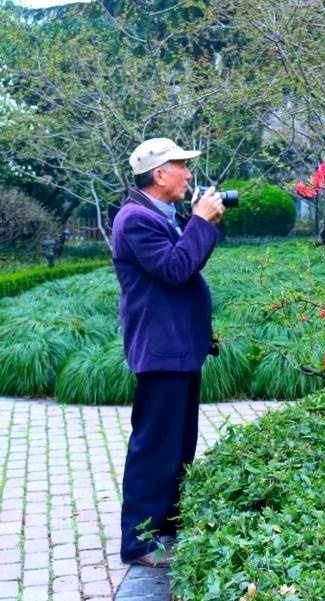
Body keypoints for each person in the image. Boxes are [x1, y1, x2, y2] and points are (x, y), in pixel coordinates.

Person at [112, 137, 225, 567]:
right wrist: (200, 221)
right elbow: (176, 269)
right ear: (159, 174)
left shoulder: (159, 214)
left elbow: (186, 261)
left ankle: (166, 527)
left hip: (178, 349)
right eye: (182, 165)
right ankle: (139, 542)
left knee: (178, 445)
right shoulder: (135, 220)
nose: (188, 173)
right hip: (161, 352)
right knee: (154, 446)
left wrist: (204, 224)